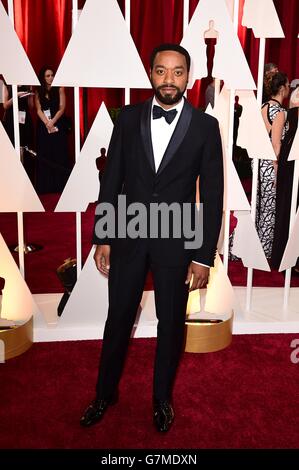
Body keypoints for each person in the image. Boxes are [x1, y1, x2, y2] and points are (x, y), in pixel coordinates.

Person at [80, 44, 224, 432]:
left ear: (188, 78)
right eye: (161, 71)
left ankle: (162, 398)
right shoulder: (127, 118)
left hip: (177, 236)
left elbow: (212, 194)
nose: (169, 80)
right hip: (128, 231)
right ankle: (104, 393)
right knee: (118, 317)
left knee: (171, 322)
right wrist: (103, 235)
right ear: (151, 74)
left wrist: (204, 255)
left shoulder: (206, 127)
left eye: (178, 73)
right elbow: (112, 179)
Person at [256, 72, 289, 259]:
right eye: (287, 85)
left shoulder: (264, 107)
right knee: (269, 209)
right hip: (270, 164)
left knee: (261, 207)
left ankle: (258, 246)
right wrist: (277, 170)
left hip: (259, 162)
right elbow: (276, 144)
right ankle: (265, 250)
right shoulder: (280, 112)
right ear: (282, 88)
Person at [272, 86, 299, 272]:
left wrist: (276, 169)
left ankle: (284, 258)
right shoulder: (285, 115)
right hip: (290, 165)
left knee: (285, 209)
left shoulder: (284, 115)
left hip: (287, 166)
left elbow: (276, 145)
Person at [35, 66, 70, 193]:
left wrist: (52, 122)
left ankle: (61, 186)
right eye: (47, 76)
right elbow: (38, 109)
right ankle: (46, 187)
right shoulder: (39, 91)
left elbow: (62, 108)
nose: (51, 78)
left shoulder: (60, 88)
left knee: (59, 154)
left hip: (58, 124)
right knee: (46, 155)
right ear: (43, 78)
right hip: (44, 127)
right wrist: (47, 123)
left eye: (52, 75)